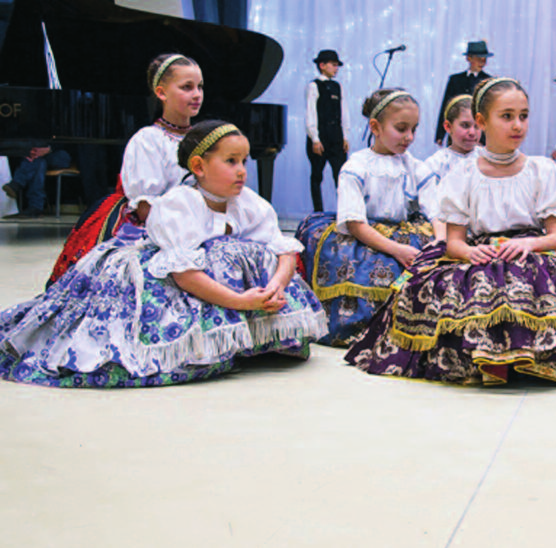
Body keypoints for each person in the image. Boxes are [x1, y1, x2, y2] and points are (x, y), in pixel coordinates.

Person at [345, 77, 556, 386]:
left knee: (534, 282)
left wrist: (533, 244)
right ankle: (488, 358)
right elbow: (454, 242)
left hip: (531, 247)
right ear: (482, 121)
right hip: (480, 249)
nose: (517, 125)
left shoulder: (542, 170)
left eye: (523, 116)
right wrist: (468, 251)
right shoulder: (463, 174)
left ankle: (532, 357)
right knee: (460, 286)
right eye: (506, 117)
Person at [0, 121, 327, 388]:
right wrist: (241, 301)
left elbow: (281, 249)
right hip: (168, 278)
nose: (242, 170)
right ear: (198, 166)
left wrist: (276, 287)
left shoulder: (248, 202)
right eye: (230, 161)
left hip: (207, 277)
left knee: (245, 253)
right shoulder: (177, 205)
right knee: (220, 254)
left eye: (243, 161)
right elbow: (184, 275)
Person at [294, 89, 438, 347]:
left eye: (414, 129)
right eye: (401, 128)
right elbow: (355, 223)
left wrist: (442, 242)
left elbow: (436, 212)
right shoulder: (356, 166)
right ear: (375, 126)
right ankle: (365, 326)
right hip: (366, 233)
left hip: (403, 230)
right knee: (369, 264)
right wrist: (395, 249)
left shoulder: (416, 166)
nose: (409, 137)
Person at [47, 53, 203, 287]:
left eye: (200, 87)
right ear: (161, 93)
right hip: (159, 229)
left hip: (201, 224)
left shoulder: (204, 139)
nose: (197, 94)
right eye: (187, 87)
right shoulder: (148, 140)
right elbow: (145, 208)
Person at [306, 49, 350, 213]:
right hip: (321, 135)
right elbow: (311, 113)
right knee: (317, 175)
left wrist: (345, 136)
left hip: (336, 136)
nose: (336, 68)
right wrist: (315, 138)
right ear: (322, 65)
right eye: (333, 64)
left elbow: (343, 112)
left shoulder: (338, 87)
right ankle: (318, 210)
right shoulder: (314, 86)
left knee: (341, 175)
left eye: (337, 65)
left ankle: (344, 211)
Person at [435, 40, 493, 146]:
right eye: (479, 58)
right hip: (457, 133)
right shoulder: (455, 80)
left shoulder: (488, 81)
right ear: (469, 58)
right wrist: (440, 134)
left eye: (484, 59)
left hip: (479, 136)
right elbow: (446, 107)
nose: (482, 62)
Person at [3, 144, 71, 219]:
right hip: (38, 155)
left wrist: (48, 149)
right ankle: (35, 207)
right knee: (39, 163)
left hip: (58, 154)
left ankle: (17, 183)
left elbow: (66, 143)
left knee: (37, 161)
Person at [425, 94, 480, 181]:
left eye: (477, 126)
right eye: (465, 125)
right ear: (448, 127)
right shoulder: (436, 164)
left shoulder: (490, 160)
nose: (472, 132)